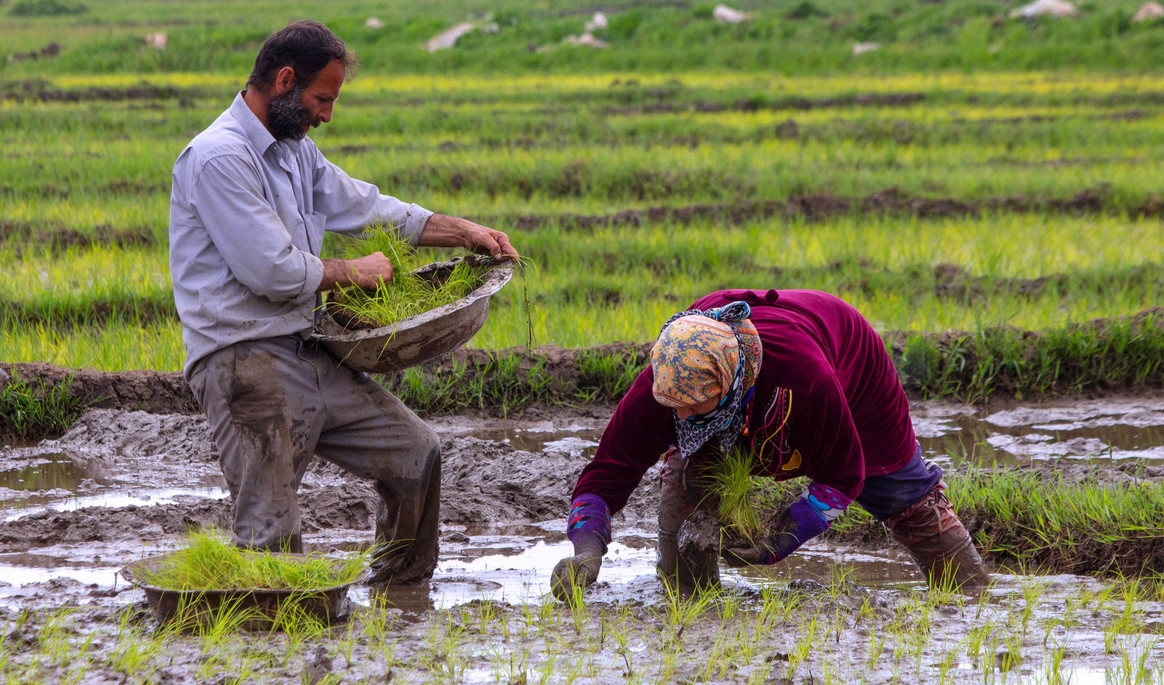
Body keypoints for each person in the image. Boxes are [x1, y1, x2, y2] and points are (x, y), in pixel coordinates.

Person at [169, 21, 518, 586]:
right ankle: (262, 653)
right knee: (271, 530)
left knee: (416, 456)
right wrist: (353, 272)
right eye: (322, 98)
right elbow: (272, 271)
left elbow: (366, 206)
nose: (327, 114)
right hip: (244, 361)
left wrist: (462, 230)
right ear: (285, 81)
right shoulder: (218, 159)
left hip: (305, 349)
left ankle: (399, 601)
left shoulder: (294, 153)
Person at [553, 289, 990, 601]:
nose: (680, 417)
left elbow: (843, 475)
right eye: (673, 407)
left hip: (850, 366)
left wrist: (780, 540)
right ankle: (689, 600)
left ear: (728, 384)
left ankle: (972, 599)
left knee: (904, 496)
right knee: (689, 475)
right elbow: (607, 472)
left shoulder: (806, 380)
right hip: (735, 381)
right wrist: (587, 553)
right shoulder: (669, 381)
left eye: (693, 407)